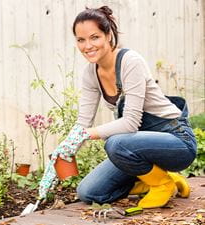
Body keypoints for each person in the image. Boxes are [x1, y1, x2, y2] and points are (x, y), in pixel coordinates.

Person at [54, 5, 197, 209]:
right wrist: (65, 149)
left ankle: (162, 184)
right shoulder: (90, 74)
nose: (87, 46)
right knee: (89, 192)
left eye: (94, 37)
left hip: (176, 141)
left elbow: (130, 123)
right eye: (81, 40)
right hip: (137, 147)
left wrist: (87, 134)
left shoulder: (130, 61)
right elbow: (82, 122)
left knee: (115, 144)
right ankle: (160, 179)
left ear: (108, 35)